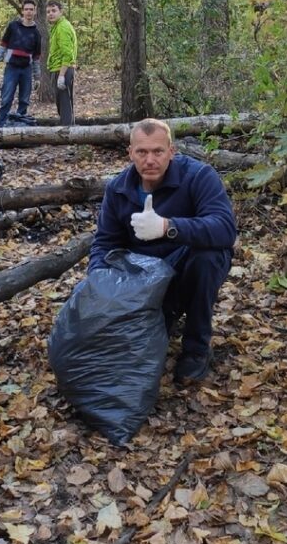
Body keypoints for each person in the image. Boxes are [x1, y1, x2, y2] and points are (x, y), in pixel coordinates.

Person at [88, 118, 237, 384]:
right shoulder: (119, 188)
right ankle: (163, 316)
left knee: (209, 257)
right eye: (142, 152)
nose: (150, 160)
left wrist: (168, 227)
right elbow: (105, 243)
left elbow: (225, 228)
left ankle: (196, 348)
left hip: (187, 264)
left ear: (172, 151)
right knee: (136, 341)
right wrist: (99, 278)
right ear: (130, 153)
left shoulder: (199, 176)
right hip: (144, 276)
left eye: (158, 151)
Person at [0, 0, 42, 127]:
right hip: (11, 68)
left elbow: (36, 58)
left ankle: (19, 127)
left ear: (34, 11)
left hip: (26, 70)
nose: (28, 12)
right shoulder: (13, 26)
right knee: (6, 98)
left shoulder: (36, 33)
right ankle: (1, 127)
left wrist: (37, 78)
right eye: (26, 9)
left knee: (24, 100)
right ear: (22, 11)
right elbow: (2, 46)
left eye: (31, 9)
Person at [46, 0, 77, 126]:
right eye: (48, 12)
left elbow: (67, 54)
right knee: (62, 102)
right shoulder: (57, 27)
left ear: (61, 12)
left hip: (63, 69)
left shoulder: (63, 27)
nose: (51, 14)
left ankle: (67, 131)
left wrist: (62, 75)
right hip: (58, 68)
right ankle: (68, 128)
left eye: (54, 11)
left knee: (64, 103)